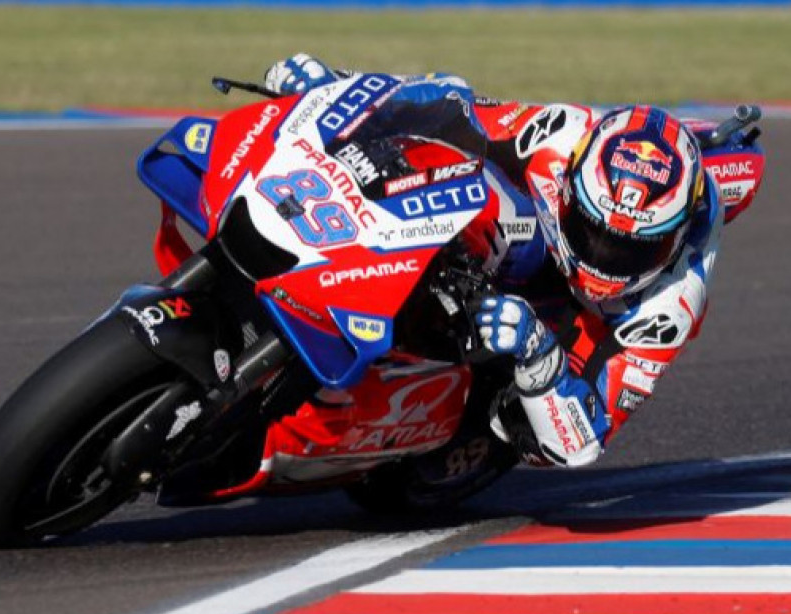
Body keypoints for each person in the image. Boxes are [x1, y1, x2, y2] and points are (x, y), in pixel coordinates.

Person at [263, 54, 722, 474]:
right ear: (569, 185)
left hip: (569, 332)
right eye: (591, 231)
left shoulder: (673, 303)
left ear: (676, 238)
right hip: (524, 248)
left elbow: (582, 444)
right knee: (475, 179)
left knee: (531, 431)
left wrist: (539, 355)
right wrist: (336, 89)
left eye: (631, 250)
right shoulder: (557, 136)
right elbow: (453, 103)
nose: (602, 259)